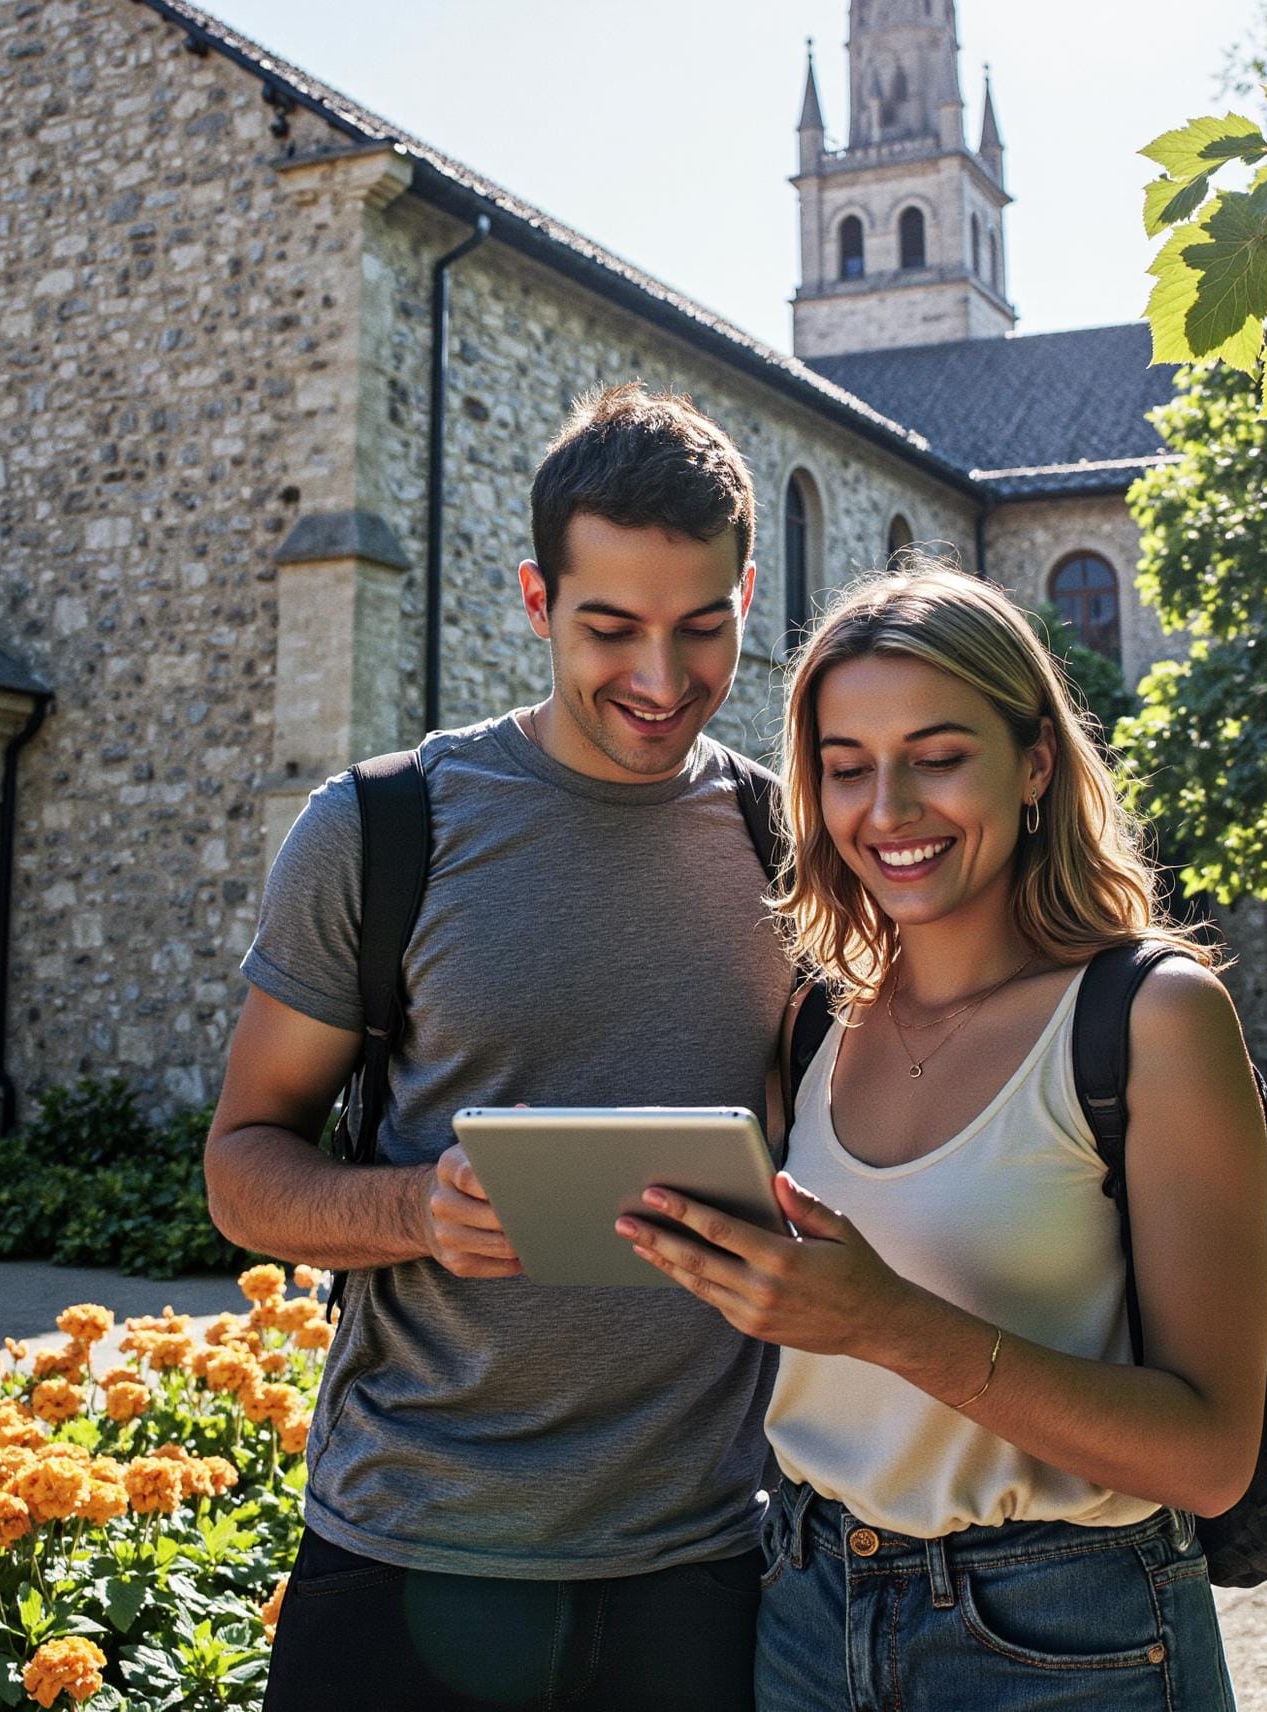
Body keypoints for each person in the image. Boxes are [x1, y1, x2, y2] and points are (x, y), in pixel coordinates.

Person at [206, 386, 795, 1712]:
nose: (661, 680)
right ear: (535, 599)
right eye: (611, 629)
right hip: (404, 1557)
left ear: (748, 595)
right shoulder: (380, 829)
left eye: (704, 628)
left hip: (702, 1572)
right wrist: (417, 1208)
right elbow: (243, 1171)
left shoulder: (788, 848)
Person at [621, 562, 1267, 1711]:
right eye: (845, 768)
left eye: (936, 755)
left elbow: (1209, 1455)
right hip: (807, 1609)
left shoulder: (1149, 1017)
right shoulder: (816, 1018)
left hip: (1063, 1638)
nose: (888, 810)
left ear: (1031, 762)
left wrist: (881, 1321)